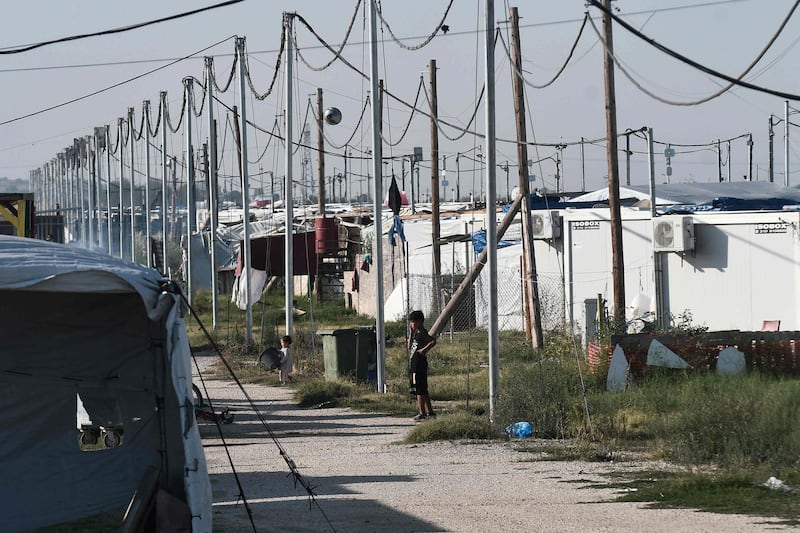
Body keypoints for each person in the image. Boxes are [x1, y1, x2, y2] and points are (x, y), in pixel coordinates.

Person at [408, 310, 436, 421]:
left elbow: (432, 341)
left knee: (419, 389)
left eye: (414, 322)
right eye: (411, 322)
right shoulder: (416, 334)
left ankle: (422, 413)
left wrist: (423, 350)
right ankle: (430, 412)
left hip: (419, 365)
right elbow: (409, 347)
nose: (412, 324)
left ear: (420, 322)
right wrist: (411, 333)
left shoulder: (423, 333)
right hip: (414, 365)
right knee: (422, 389)